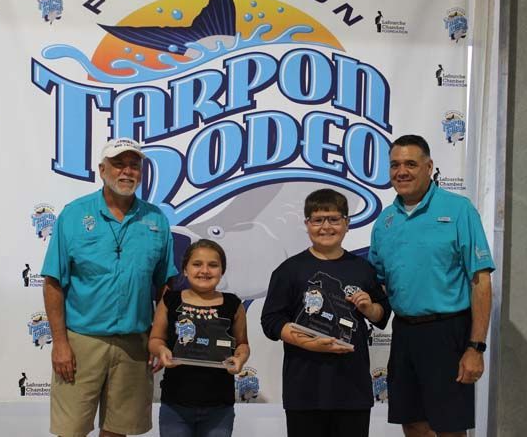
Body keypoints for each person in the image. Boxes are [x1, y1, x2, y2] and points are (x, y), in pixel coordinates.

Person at [41, 137, 178, 437]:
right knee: (71, 430)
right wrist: (60, 343)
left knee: (118, 430)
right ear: (102, 170)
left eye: (134, 165)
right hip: (82, 342)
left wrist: (158, 337)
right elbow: (53, 282)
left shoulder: (156, 220)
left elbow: (165, 287)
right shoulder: (74, 215)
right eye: (119, 164)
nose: (127, 172)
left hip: (135, 343)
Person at [368, 135, 494, 437]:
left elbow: (481, 282)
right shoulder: (384, 222)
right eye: (395, 164)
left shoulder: (459, 210)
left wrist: (475, 347)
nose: (402, 171)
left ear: (429, 167)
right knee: (411, 423)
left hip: (448, 333)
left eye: (411, 164)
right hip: (405, 334)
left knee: (449, 428)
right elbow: (379, 286)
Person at [261, 189, 391, 437]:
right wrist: (310, 343)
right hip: (305, 389)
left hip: (353, 389)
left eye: (334, 219)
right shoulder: (289, 270)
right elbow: (271, 321)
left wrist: (368, 307)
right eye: (318, 219)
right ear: (307, 224)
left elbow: (381, 315)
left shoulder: (363, 269)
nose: (326, 227)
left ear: (347, 223)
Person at [148, 239, 250, 437]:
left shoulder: (232, 304)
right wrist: (161, 351)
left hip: (219, 406)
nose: (205, 270)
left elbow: (243, 344)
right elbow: (155, 339)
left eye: (213, 265)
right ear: (185, 269)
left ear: (222, 270)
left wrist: (240, 359)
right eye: (197, 264)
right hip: (175, 404)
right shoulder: (170, 300)